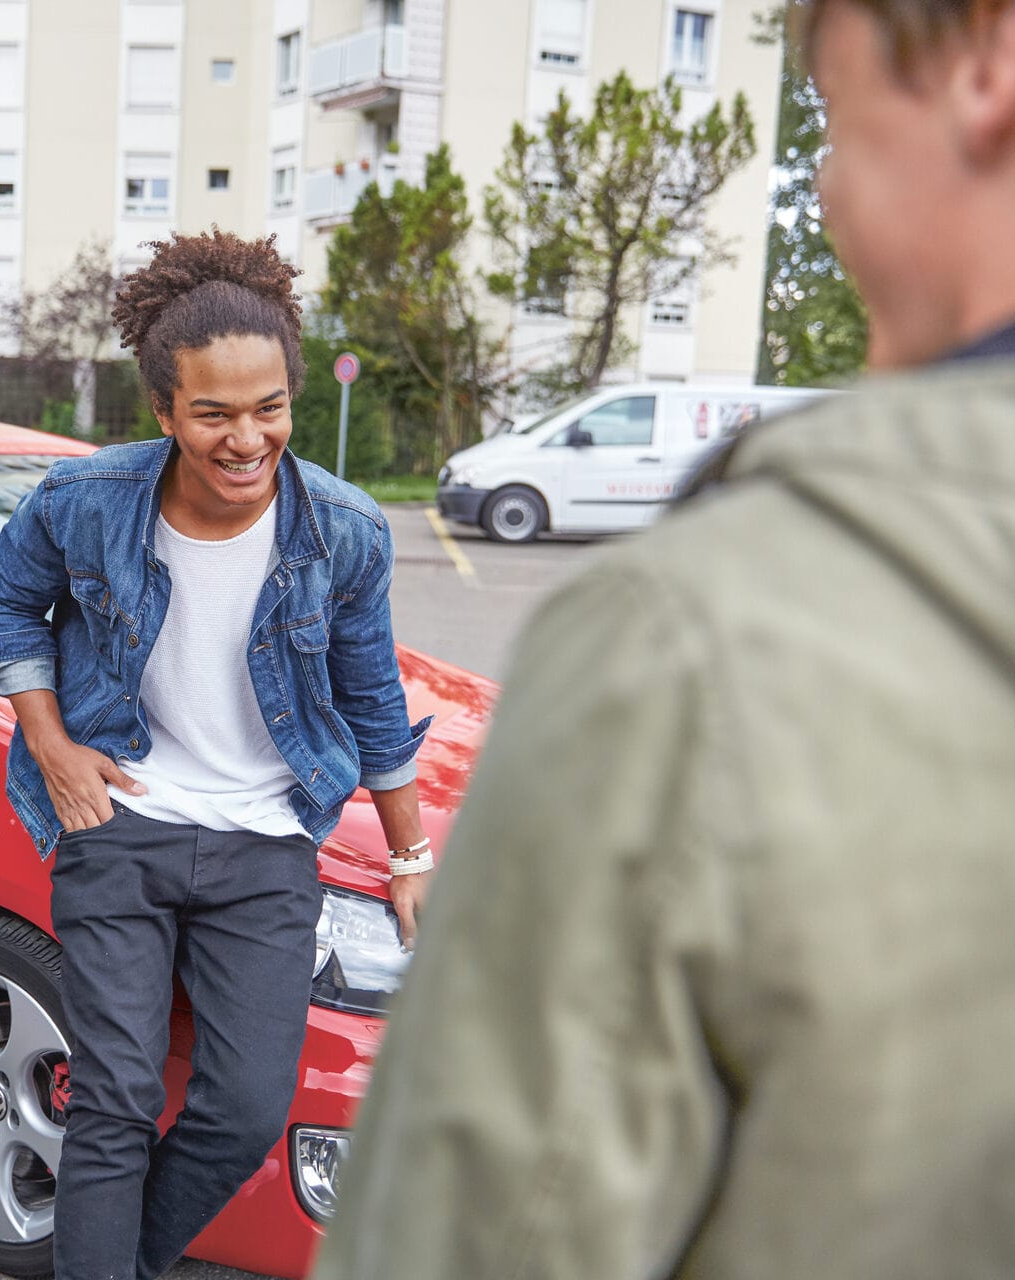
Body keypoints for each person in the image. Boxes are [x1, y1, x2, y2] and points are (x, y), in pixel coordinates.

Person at [312, 1, 1015, 1276]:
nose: (828, 186)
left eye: (840, 127)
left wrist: (409, 843)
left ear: (987, 63)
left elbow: (486, 1234)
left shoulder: (696, 642)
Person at [0, 230, 433, 1280]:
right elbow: (7, 606)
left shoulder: (345, 532)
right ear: (166, 411)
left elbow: (372, 694)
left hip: (266, 843)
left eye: (268, 407)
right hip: (120, 824)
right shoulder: (85, 500)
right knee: (118, 1099)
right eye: (215, 413)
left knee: (243, 1110)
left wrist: (410, 858)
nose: (246, 438)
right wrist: (52, 747)